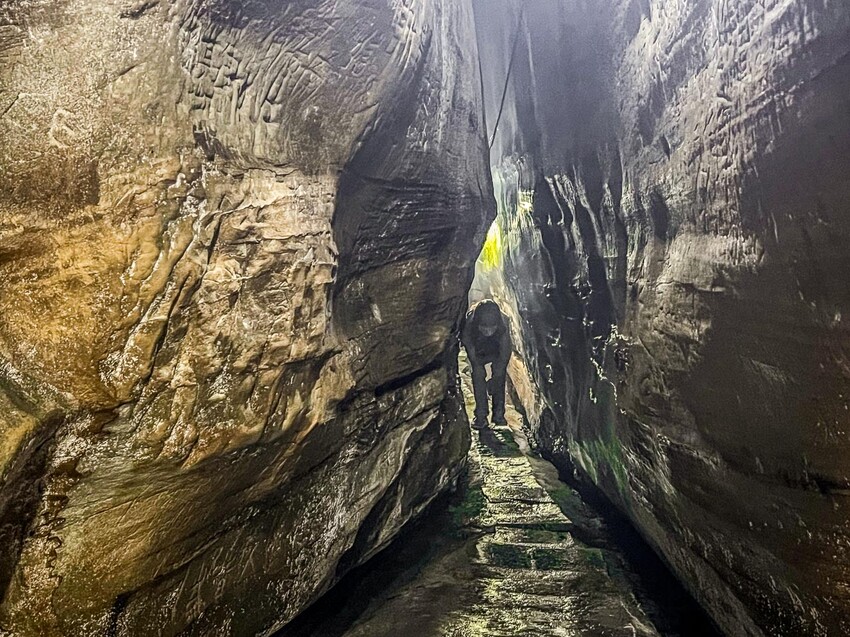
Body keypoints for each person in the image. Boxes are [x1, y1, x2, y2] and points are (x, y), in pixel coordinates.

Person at [461, 299, 511, 429]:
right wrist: (476, 364)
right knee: (478, 376)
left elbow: (504, 356)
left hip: (496, 348)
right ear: (478, 323)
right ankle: (481, 416)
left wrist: (494, 381)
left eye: (491, 327)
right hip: (478, 348)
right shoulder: (469, 325)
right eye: (484, 327)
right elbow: (470, 350)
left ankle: (499, 415)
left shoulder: (504, 325)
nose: (488, 331)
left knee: (499, 376)